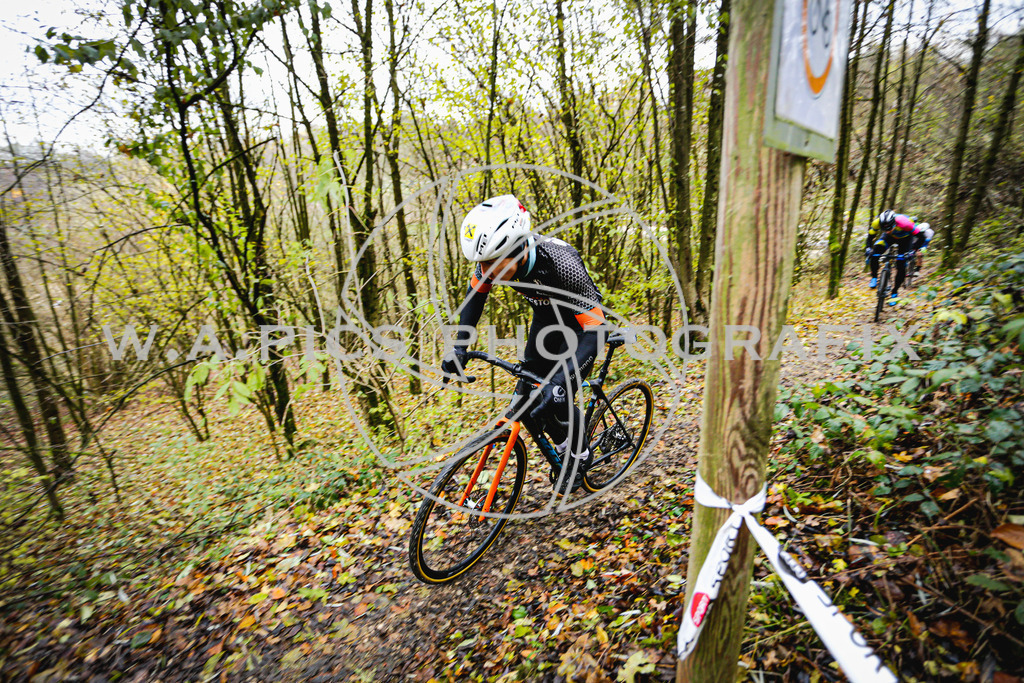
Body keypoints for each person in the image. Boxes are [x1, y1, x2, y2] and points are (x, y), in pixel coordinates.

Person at [440, 194, 605, 494]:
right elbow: (475, 297)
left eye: (492, 263)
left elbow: (596, 329)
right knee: (529, 403)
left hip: (582, 330)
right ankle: (564, 443)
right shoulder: (494, 261)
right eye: (482, 264)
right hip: (546, 324)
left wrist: (558, 382)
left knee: (558, 398)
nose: (486, 271)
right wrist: (459, 348)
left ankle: (580, 455)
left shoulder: (561, 263)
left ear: (516, 248)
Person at [865, 210, 928, 305]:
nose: (887, 231)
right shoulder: (877, 223)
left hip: (905, 239)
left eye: (889, 228)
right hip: (888, 238)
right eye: (885, 229)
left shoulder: (906, 224)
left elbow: (922, 238)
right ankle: (874, 277)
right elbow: (870, 237)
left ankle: (894, 292)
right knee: (874, 253)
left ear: (894, 223)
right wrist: (868, 248)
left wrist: (913, 250)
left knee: (901, 265)